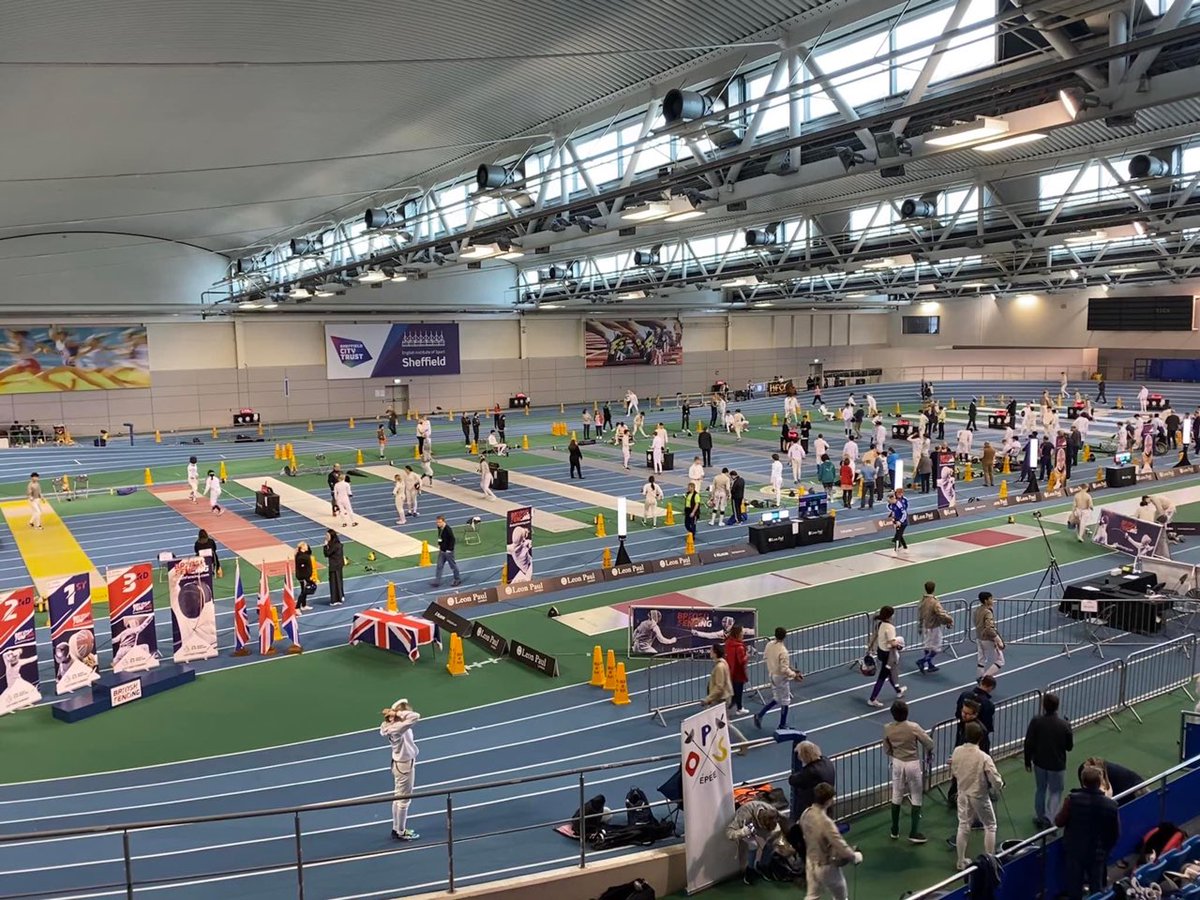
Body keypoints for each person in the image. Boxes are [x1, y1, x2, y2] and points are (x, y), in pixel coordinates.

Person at [1056, 766, 1119, 900]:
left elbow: (1059, 821)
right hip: (1098, 853)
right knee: (1097, 889)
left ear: (1083, 781)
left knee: (1074, 889)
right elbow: (1115, 833)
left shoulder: (1072, 800)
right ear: (1100, 782)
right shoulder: (1111, 805)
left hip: (1075, 852)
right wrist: (1105, 850)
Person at [950, 721, 1003, 870]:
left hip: (962, 793)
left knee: (963, 825)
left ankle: (960, 861)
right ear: (980, 738)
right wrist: (999, 786)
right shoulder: (983, 757)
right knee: (990, 825)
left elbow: (954, 771)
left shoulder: (957, 751)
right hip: (979, 795)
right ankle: (990, 861)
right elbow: (994, 777)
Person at [883, 699, 933, 844]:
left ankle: (894, 830)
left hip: (897, 763)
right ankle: (913, 832)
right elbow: (929, 743)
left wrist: (895, 752)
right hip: (912, 763)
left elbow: (886, 748)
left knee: (896, 795)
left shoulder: (887, 728)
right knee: (916, 796)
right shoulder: (913, 727)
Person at [799, 783, 861, 898]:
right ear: (829, 800)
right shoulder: (826, 822)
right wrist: (854, 857)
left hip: (810, 861)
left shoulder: (806, 813)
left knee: (812, 895)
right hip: (826, 866)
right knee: (841, 896)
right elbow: (840, 845)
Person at [1024, 691, 1074, 829]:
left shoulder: (1036, 721)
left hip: (1039, 762)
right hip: (1057, 764)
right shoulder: (1064, 725)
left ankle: (1040, 817)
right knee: (1055, 792)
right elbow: (1069, 747)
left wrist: (1027, 760)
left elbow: (1028, 742)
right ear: (1057, 707)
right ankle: (1050, 820)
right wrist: (1069, 729)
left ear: (1043, 706)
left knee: (1040, 789)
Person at [380, 698, 421, 842]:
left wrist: (395, 713)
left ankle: (397, 828)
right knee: (404, 800)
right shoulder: (399, 727)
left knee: (398, 798)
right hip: (404, 765)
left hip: (398, 763)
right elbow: (415, 716)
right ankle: (401, 831)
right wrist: (398, 712)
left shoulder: (389, 725)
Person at [754, 626, 803, 730]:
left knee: (777, 698)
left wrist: (792, 669)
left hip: (771, 674)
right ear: (784, 636)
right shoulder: (783, 651)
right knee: (785, 700)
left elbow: (766, 657)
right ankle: (782, 725)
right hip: (780, 677)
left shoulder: (769, 644)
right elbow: (784, 669)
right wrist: (795, 675)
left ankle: (759, 715)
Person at [726, 799, 783, 885]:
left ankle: (763, 866)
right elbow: (729, 832)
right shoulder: (744, 813)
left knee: (774, 838)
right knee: (753, 845)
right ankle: (750, 870)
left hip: (762, 826)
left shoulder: (771, 810)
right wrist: (743, 832)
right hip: (746, 827)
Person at [867, 606, 906, 707]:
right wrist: (899, 644)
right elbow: (892, 643)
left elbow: (874, 636)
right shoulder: (890, 628)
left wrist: (869, 647)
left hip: (880, 652)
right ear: (890, 616)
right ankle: (872, 699)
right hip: (888, 656)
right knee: (883, 676)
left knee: (889, 674)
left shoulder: (880, 624)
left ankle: (898, 690)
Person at [789, 741, 836, 822]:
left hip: (814, 809)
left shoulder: (810, 771)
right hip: (828, 805)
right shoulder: (826, 761)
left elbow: (793, 780)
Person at [917, 582, 953, 673]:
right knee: (936, 647)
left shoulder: (922, 600)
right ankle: (922, 661)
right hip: (934, 626)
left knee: (927, 646)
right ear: (934, 589)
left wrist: (920, 625)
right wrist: (949, 619)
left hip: (926, 626)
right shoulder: (934, 602)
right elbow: (941, 613)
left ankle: (929, 665)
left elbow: (920, 614)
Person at [975, 592, 1005, 680]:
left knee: (981, 660)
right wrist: (998, 639)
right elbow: (989, 628)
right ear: (986, 600)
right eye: (991, 599)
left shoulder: (977, 610)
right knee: (1000, 661)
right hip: (987, 639)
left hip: (979, 637)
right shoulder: (988, 612)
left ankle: (979, 677)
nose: (992, 600)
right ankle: (984, 678)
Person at [430, 515, 461, 588]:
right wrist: (439, 544)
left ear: (444, 521)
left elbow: (452, 540)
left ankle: (457, 579)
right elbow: (440, 536)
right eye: (437, 522)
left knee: (453, 566)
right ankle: (437, 581)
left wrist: (449, 549)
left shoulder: (448, 529)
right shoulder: (439, 528)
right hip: (442, 551)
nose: (438, 524)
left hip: (448, 552)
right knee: (439, 566)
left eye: (439, 522)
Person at [725, 625, 749, 715]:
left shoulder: (729, 643)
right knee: (738, 690)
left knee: (734, 690)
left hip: (730, 669)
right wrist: (747, 656)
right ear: (738, 634)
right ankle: (739, 708)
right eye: (742, 632)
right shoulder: (739, 647)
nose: (743, 633)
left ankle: (732, 705)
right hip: (738, 671)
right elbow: (741, 661)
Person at [322, 529, 345, 606]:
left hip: (335, 565)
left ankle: (335, 600)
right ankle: (341, 596)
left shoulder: (335, 545)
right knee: (339, 581)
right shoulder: (336, 544)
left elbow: (327, 554)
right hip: (338, 565)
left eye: (327, 535)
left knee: (334, 582)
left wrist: (325, 546)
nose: (326, 537)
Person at [294, 541, 315, 611]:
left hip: (305, 576)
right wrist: (307, 578)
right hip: (303, 576)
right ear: (303, 547)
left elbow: (309, 552)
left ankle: (303, 605)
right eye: (306, 546)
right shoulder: (301, 557)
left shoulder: (302, 554)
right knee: (303, 591)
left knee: (304, 590)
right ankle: (297, 607)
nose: (307, 547)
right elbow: (302, 568)